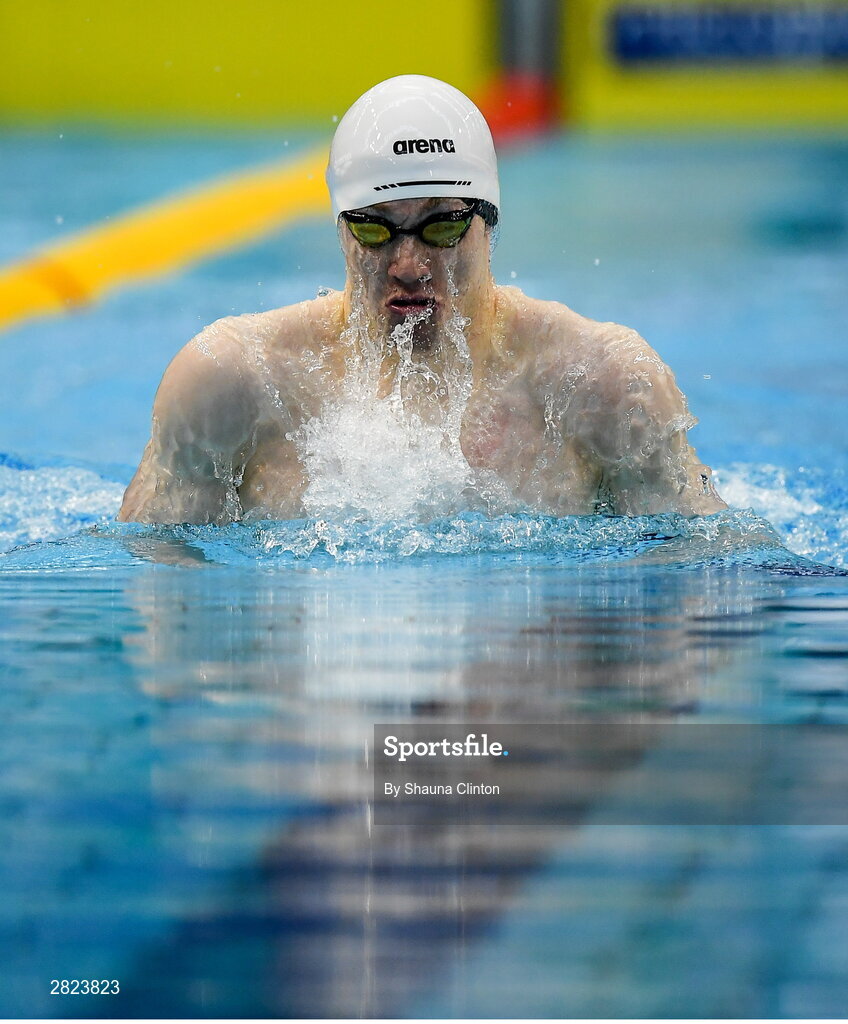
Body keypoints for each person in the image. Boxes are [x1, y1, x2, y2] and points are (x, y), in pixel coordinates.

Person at [118, 75, 725, 524]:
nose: (408, 266)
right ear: (340, 228)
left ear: (488, 223)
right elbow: (159, 595)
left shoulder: (601, 383)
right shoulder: (232, 381)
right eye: (375, 230)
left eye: (441, 226)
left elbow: (703, 591)